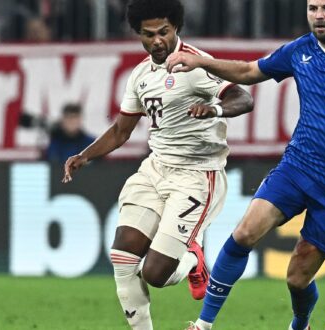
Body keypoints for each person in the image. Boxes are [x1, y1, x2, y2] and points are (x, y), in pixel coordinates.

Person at [166, 0, 325, 329]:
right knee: (245, 233)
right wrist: (200, 62)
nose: (319, 15)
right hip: (298, 166)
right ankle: (204, 324)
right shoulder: (298, 50)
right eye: (313, 8)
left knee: (296, 278)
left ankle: (300, 324)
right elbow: (250, 71)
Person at [61, 0, 254, 329]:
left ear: (176, 28)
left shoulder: (196, 64)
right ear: (138, 34)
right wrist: (85, 155)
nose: (157, 41)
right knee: (122, 256)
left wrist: (216, 110)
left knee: (156, 274)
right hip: (155, 169)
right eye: (149, 34)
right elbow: (122, 129)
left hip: (196, 176)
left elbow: (243, 98)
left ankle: (193, 258)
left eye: (164, 32)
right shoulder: (140, 75)